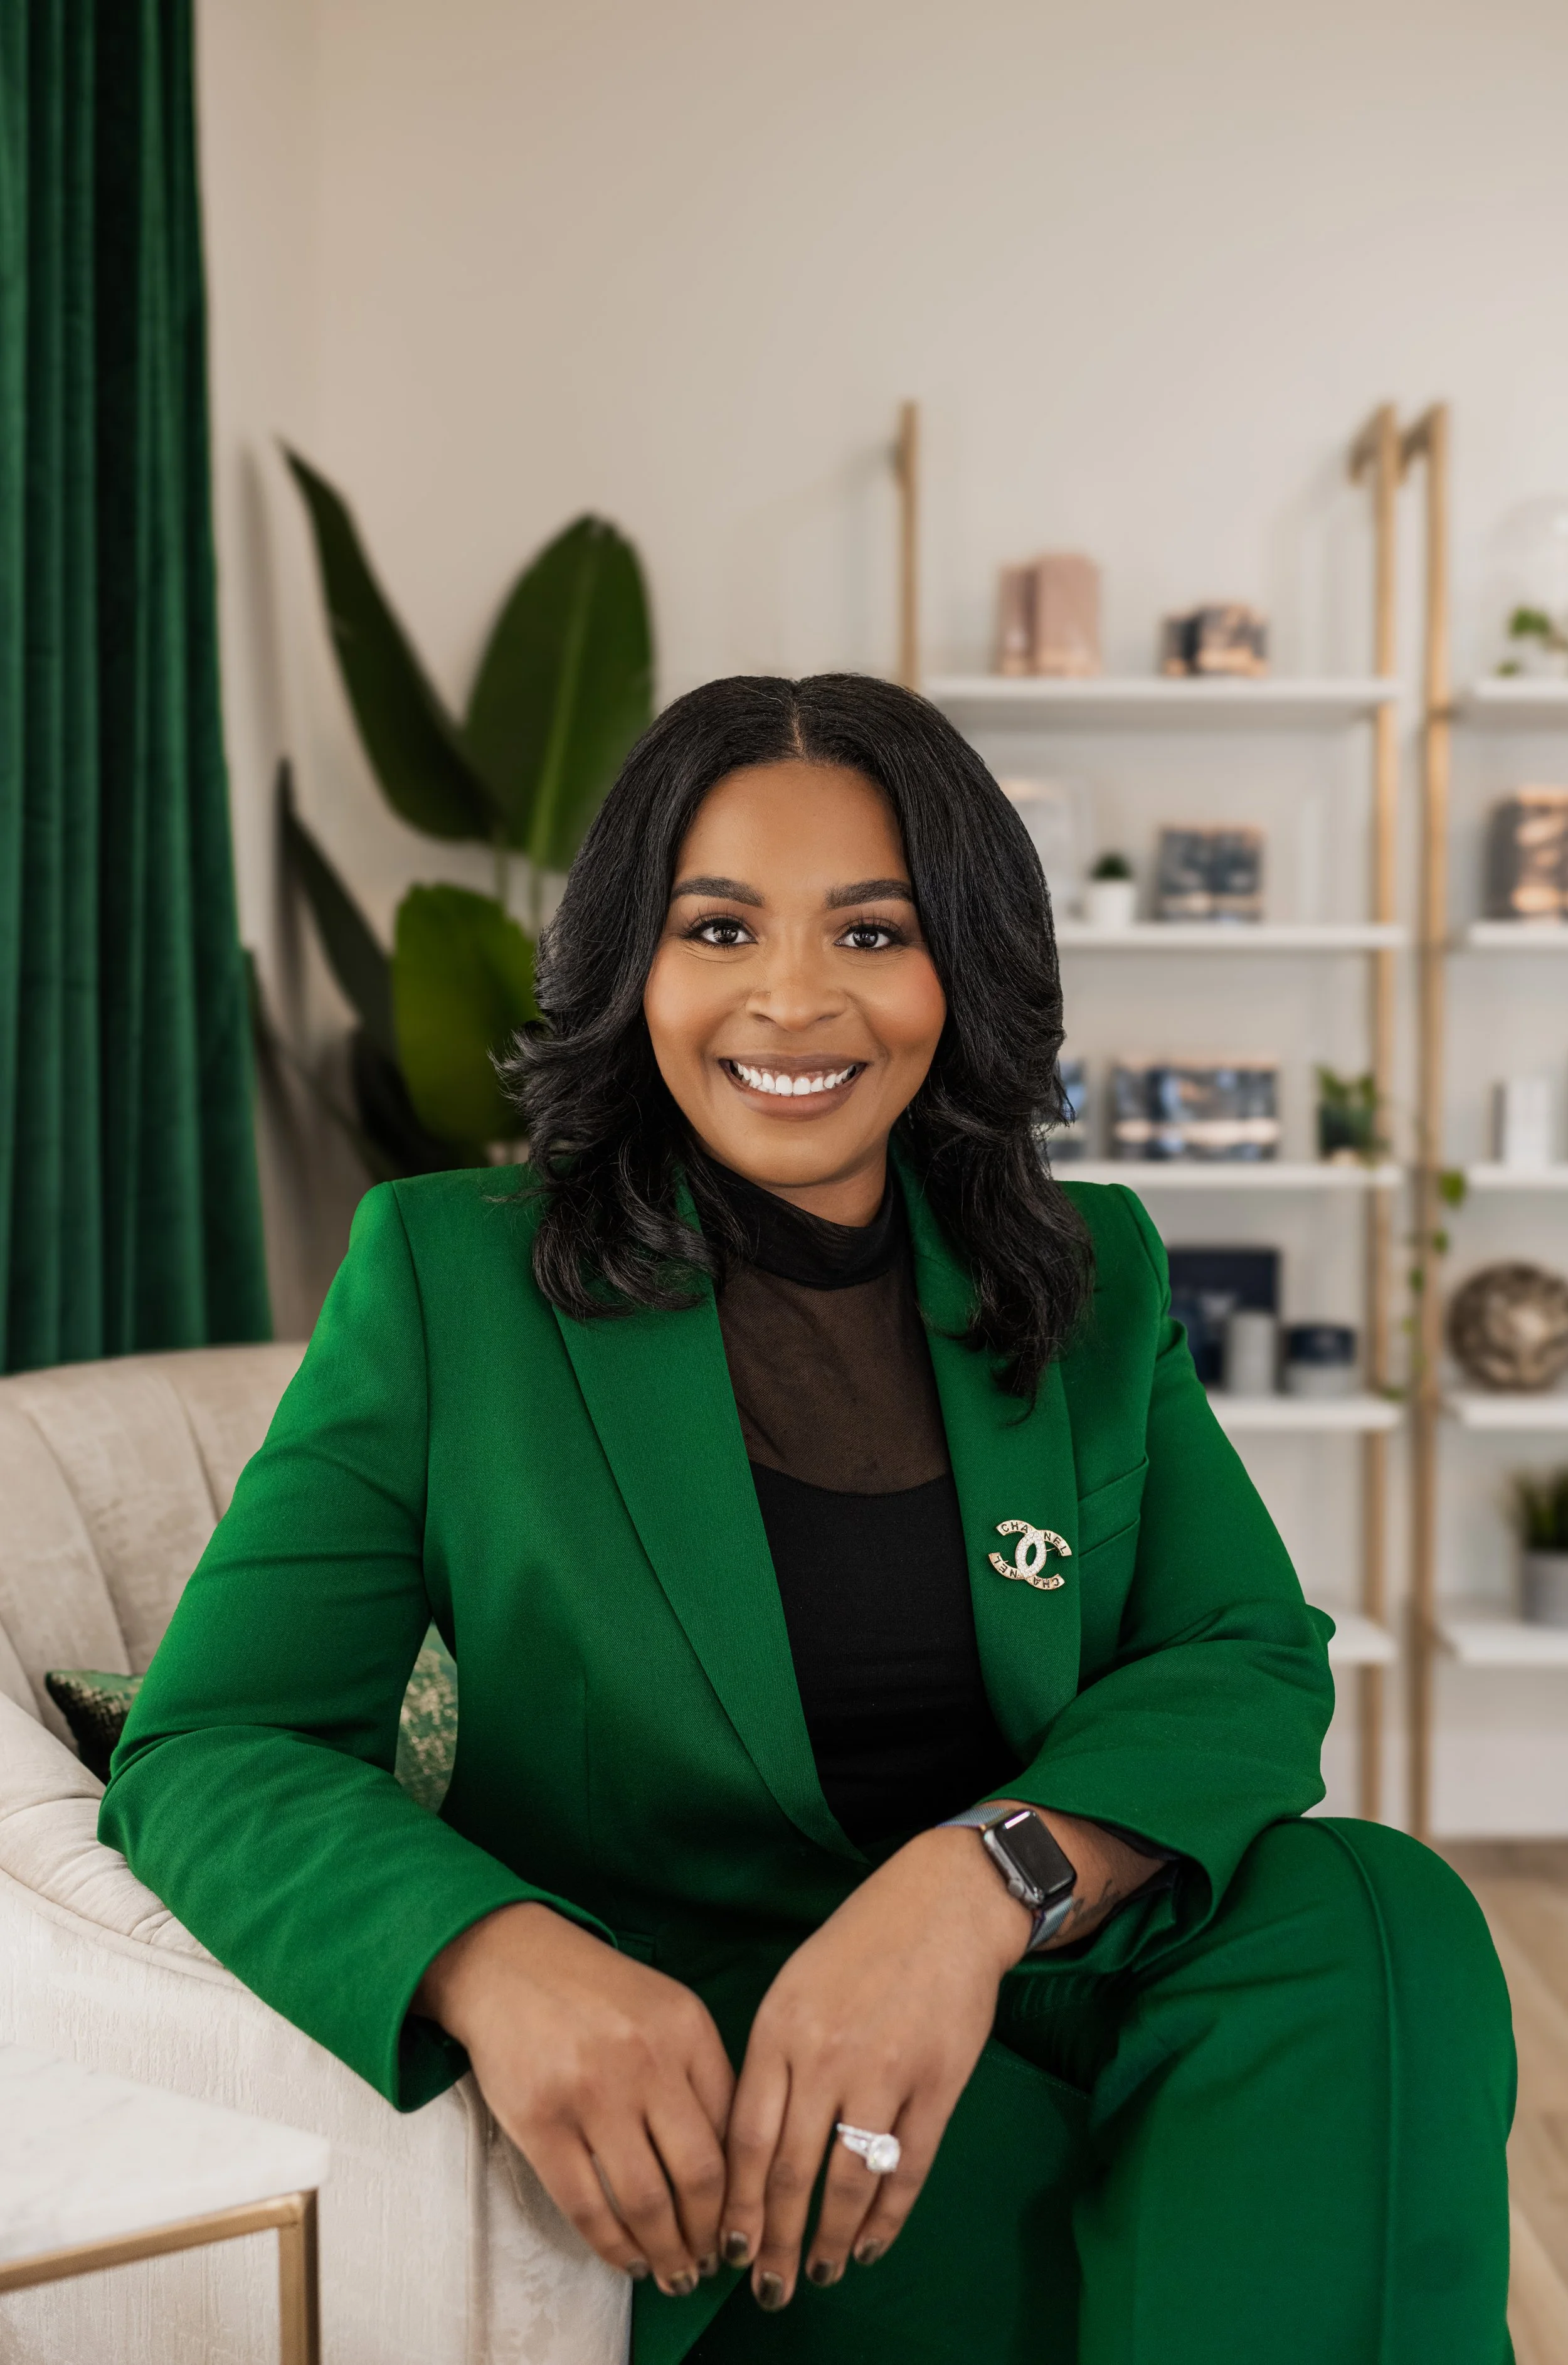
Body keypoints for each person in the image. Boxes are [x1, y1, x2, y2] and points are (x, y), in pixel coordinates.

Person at [102, 674, 1514, 2364]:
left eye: (869, 932)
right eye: (718, 930)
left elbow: (1241, 1652)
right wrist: (494, 1955)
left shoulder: (1090, 1270)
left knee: (1375, 1914)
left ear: (959, 970)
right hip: (728, 2064)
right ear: (632, 967)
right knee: (1238, 2231)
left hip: (1054, 1967)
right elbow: (213, 1744)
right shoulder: (450, 1276)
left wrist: (975, 1888)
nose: (790, 998)